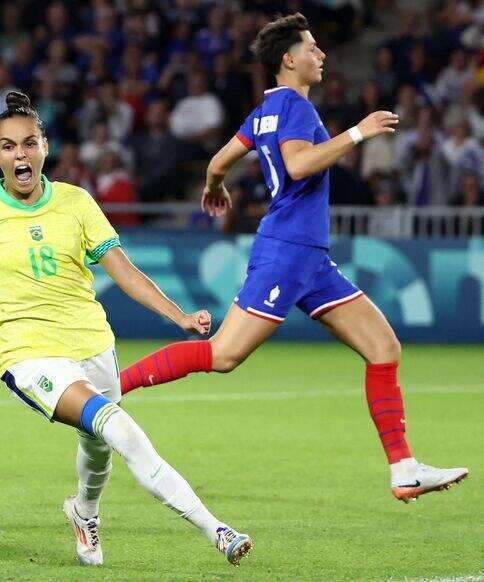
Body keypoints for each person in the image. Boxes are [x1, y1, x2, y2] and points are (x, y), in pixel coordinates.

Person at [0, 91, 253, 568]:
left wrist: (177, 316)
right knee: (122, 430)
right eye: (9, 146)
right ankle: (216, 530)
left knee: (99, 450)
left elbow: (124, 270)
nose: (20, 154)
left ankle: (83, 512)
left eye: (29, 143)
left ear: (44, 148)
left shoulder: (76, 203)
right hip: (30, 357)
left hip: (94, 344)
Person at [119, 14, 468, 503]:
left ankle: (404, 468)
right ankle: (111, 390)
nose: (321, 54)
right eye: (312, 47)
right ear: (289, 59)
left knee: (383, 349)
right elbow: (299, 164)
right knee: (223, 355)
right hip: (287, 252)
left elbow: (220, 162)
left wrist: (214, 187)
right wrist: (358, 134)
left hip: (311, 261)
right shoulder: (298, 110)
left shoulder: (264, 111)